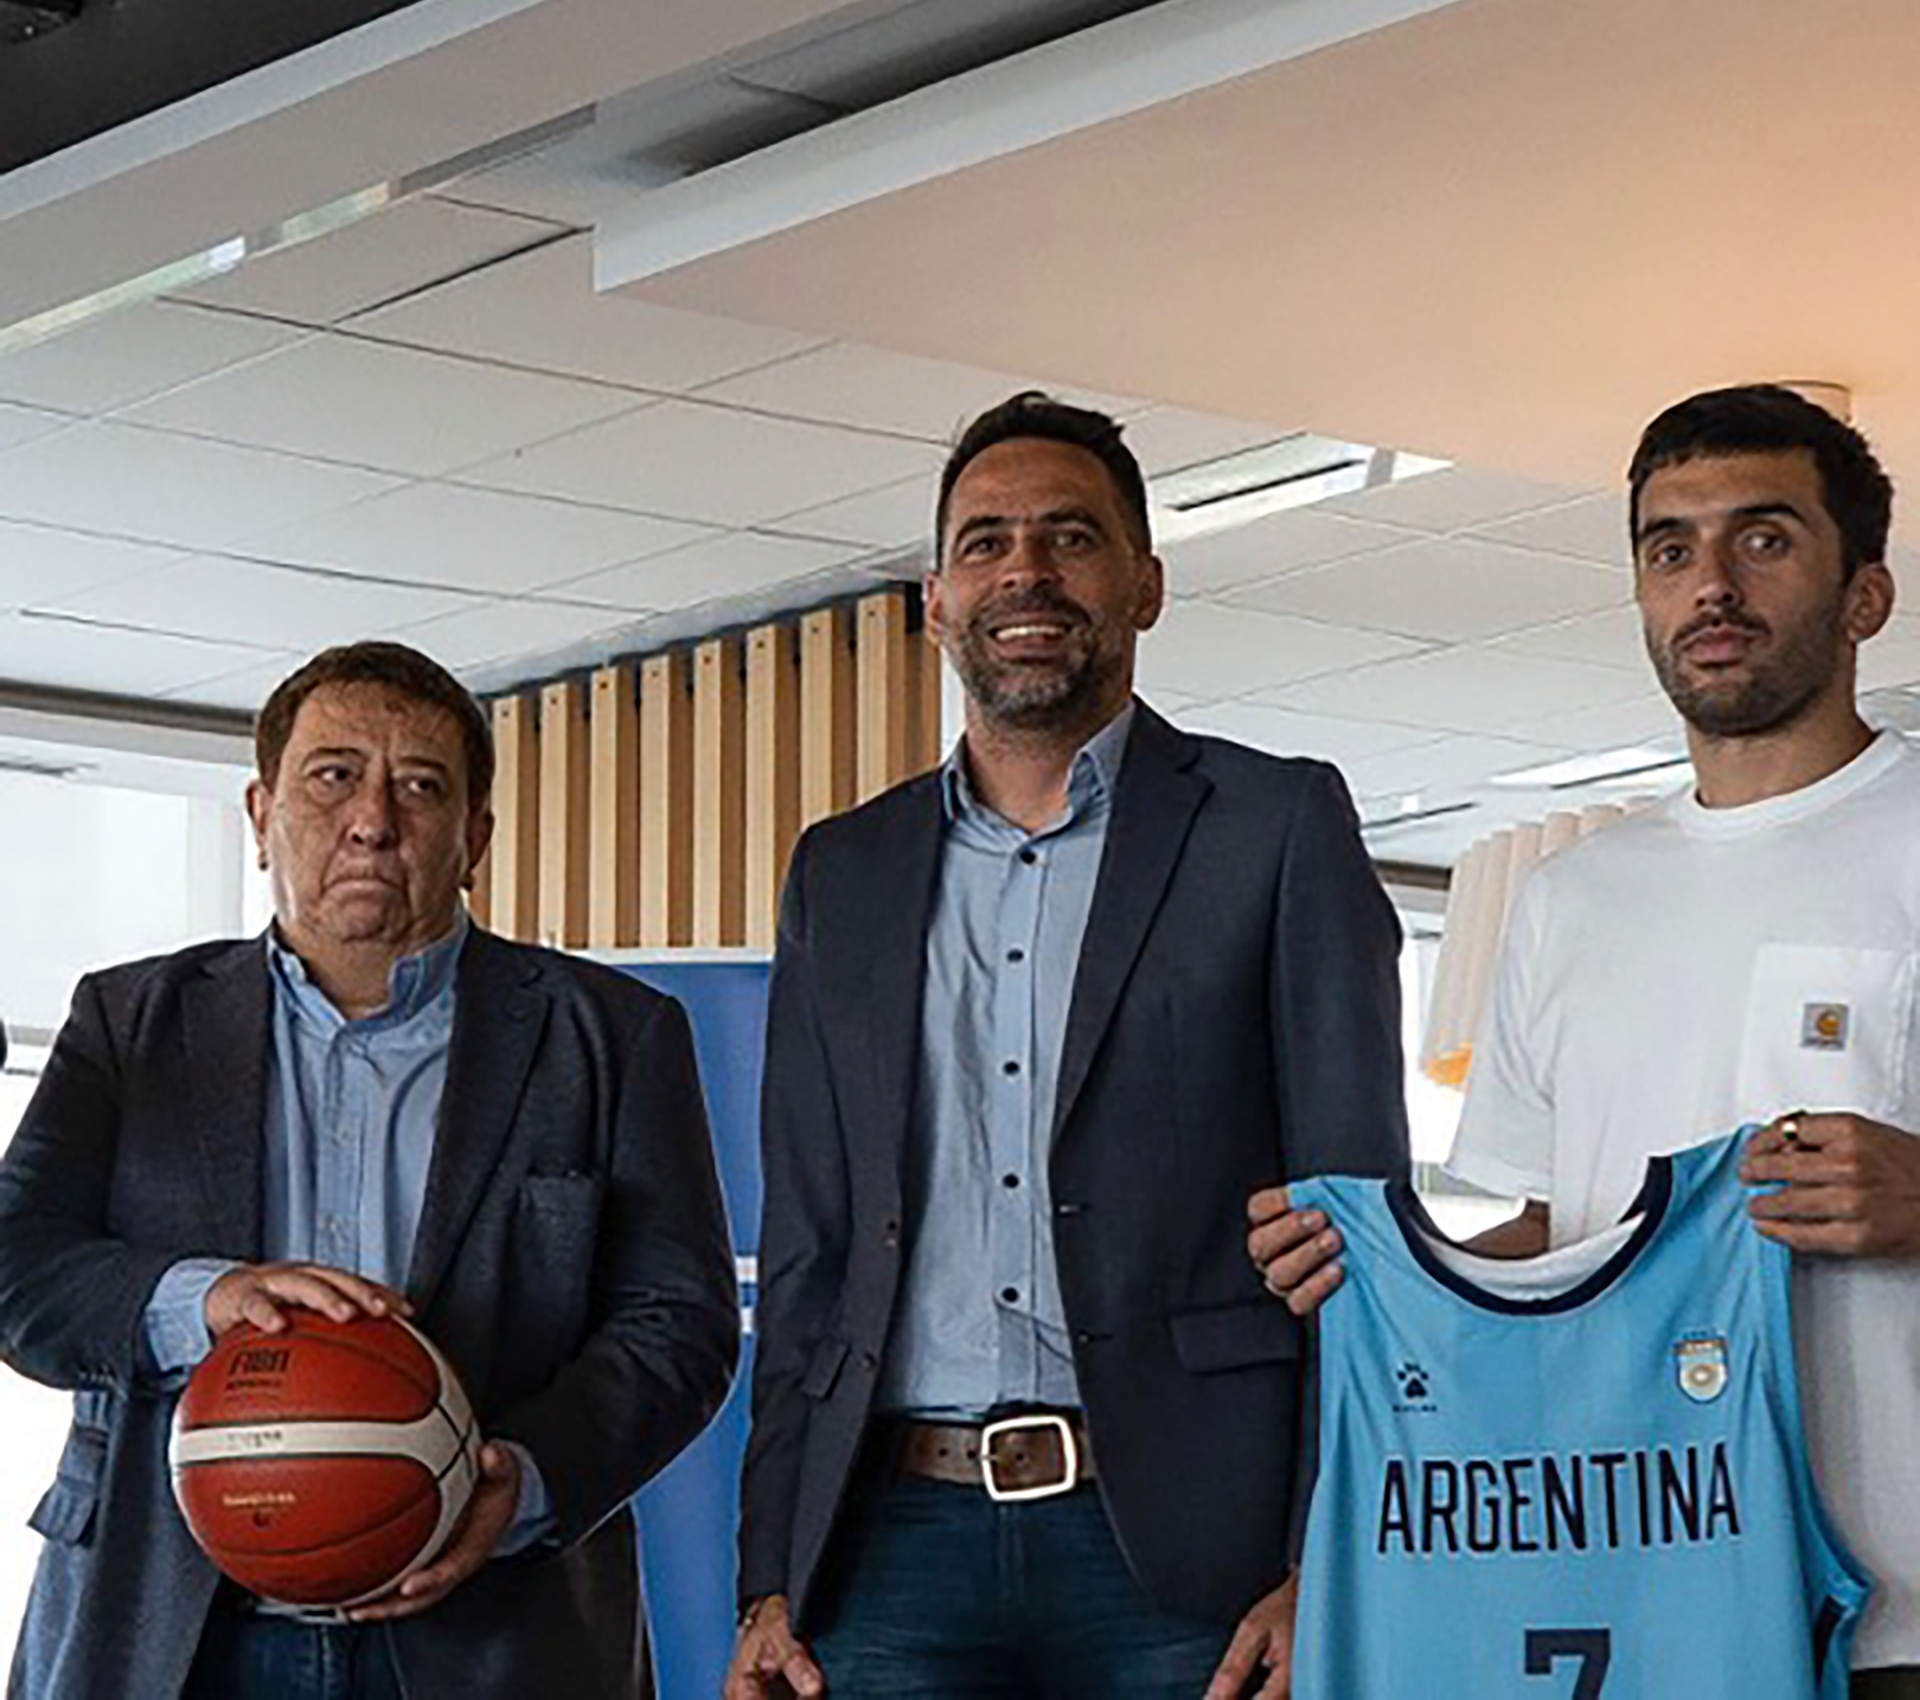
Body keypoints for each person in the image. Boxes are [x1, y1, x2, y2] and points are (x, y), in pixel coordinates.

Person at [724, 392, 1408, 1700]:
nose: (1024, 572)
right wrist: (768, 1576)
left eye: (1069, 538)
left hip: (1188, 1551)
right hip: (886, 1550)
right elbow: (810, 1245)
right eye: (983, 544)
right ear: (935, 599)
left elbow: (1358, 1236)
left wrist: (1330, 1553)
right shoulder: (842, 871)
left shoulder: (1272, 828)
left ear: (1144, 583)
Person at [1250, 384, 1920, 1695]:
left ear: (1866, 597)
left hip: (1903, 1620)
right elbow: (1566, 1234)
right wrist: (1385, 1276)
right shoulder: (1570, 899)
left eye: (1764, 539)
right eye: (1670, 549)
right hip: (1647, 1603)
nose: (1710, 584)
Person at [0, 640, 738, 1700]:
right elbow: (18, 1269)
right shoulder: (129, 1024)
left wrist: (517, 1482)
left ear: (474, 836)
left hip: (497, 1626)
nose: (373, 820)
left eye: (421, 786)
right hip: (167, 1626)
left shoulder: (611, 1037)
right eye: (333, 774)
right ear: (260, 815)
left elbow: (680, 1322)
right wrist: (203, 1298)